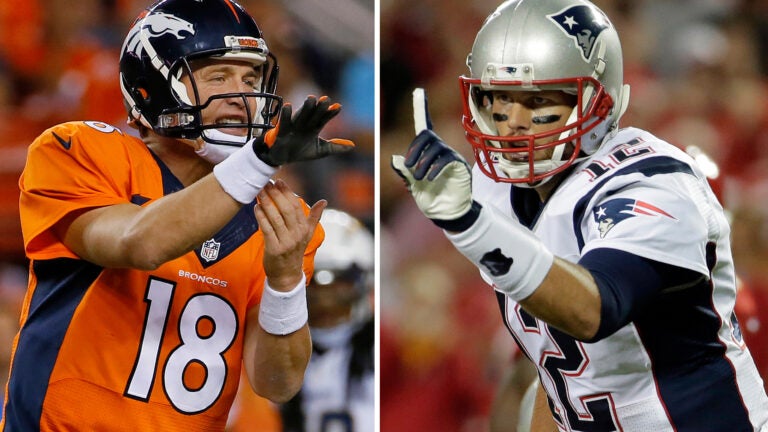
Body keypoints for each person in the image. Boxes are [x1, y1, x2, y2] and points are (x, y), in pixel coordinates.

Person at [391, 0, 768, 430]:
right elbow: (562, 378)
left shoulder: (656, 182)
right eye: (498, 99)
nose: (512, 122)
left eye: (537, 101)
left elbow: (595, 309)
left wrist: (473, 227)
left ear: (598, 100)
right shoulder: (494, 189)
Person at [1, 0, 354, 430]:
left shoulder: (277, 213)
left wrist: (285, 283)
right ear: (153, 85)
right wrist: (256, 163)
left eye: (250, 77)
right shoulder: (81, 151)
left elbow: (277, 383)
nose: (242, 96)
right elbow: (139, 242)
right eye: (219, 76)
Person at [279, 208, 375, 432]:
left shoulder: (379, 350)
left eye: (339, 281)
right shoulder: (269, 347)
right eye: (316, 280)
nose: (325, 296)